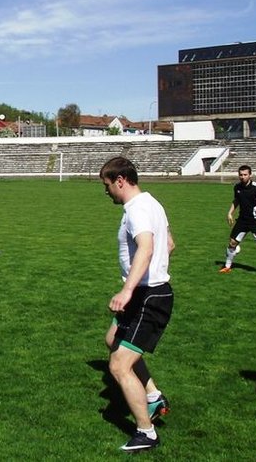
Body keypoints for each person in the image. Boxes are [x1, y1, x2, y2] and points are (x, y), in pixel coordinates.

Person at [99, 157, 175, 452]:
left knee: (118, 366)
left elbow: (147, 245)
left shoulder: (137, 210)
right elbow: (169, 244)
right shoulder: (152, 203)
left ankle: (147, 432)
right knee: (113, 339)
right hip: (148, 291)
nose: (106, 191)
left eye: (106, 185)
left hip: (148, 296)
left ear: (120, 180)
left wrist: (129, 289)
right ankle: (153, 396)